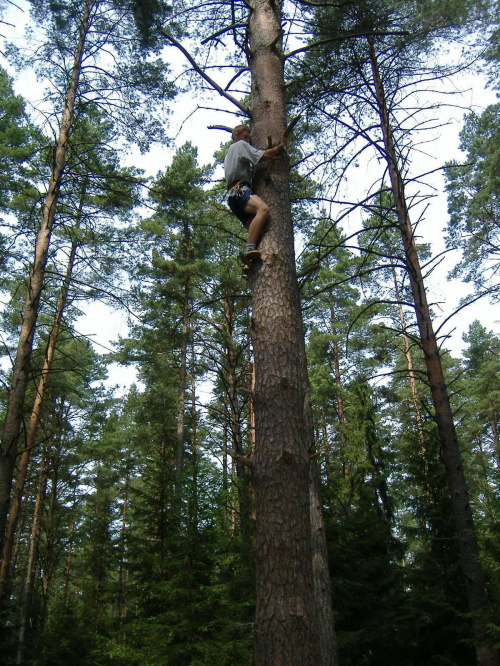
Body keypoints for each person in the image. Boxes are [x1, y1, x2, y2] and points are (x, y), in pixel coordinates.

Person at [224, 125, 288, 260]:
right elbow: (265, 156)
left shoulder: (229, 153)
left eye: (249, 138)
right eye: (245, 136)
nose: (248, 140)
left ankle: (249, 263)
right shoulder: (240, 145)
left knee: (254, 226)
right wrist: (280, 146)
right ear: (236, 135)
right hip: (240, 190)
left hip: (232, 196)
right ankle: (249, 249)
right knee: (263, 209)